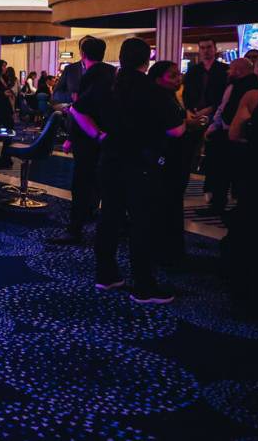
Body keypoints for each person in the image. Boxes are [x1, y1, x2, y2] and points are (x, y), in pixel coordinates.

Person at [71, 38, 185, 304]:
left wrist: (98, 135)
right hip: (140, 164)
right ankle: (144, 286)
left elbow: (77, 110)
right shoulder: (152, 89)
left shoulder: (108, 84)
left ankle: (106, 275)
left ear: (121, 57)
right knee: (142, 223)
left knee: (109, 217)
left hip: (109, 159)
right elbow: (175, 130)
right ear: (147, 60)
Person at [51, 36, 115, 245]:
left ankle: (76, 227)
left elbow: (81, 109)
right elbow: (58, 94)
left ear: (83, 53)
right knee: (101, 181)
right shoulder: (111, 73)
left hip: (90, 136)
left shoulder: (99, 74)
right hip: (104, 135)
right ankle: (99, 222)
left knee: (83, 181)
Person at [148, 61, 200, 264]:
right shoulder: (162, 98)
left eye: (179, 74)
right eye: (172, 75)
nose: (178, 78)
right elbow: (174, 130)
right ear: (158, 78)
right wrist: (190, 123)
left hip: (169, 158)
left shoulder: (170, 97)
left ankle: (168, 251)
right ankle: (170, 255)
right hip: (167, 159)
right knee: (168, 205)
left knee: (169, 204)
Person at [225, 54, 258, 310]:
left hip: (257, 167)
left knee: (252, 229)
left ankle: (248, 295)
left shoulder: (253, 97)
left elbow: (234, 133)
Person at [203, 58, 258, 215]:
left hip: (232, 135)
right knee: (239, 175)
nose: (228, 72)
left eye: (231, 69)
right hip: (244, 136)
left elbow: (225, 109)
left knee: (222, 172)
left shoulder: (239, 87)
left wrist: (215, 126)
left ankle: (220, 205)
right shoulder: (254, 87)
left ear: (238, 71)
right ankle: (239, 208)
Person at [182, 38, 228, 199]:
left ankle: (210, 189)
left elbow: (225, 96)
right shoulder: (193, 70)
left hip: (215, 116)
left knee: (213, 154)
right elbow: (186, 93)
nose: (206, 51)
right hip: (195, 114)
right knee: (188, 151)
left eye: (209, 47)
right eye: (202, 48)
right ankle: (183, 185)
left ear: (215, 49)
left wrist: (210, 109)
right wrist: (189, 110)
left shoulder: (224, 70)